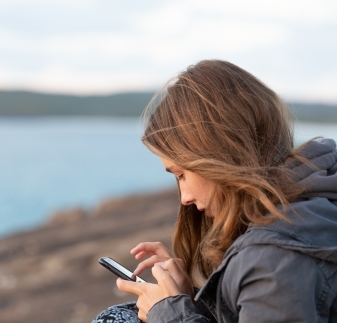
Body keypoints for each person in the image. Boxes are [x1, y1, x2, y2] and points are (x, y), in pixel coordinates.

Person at [91, 60, 337, 323]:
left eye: (182, 174)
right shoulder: (314, 204)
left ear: (219, 155)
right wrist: (188, 302)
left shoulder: (272, 259)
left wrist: (168, 312)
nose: (184, 198)